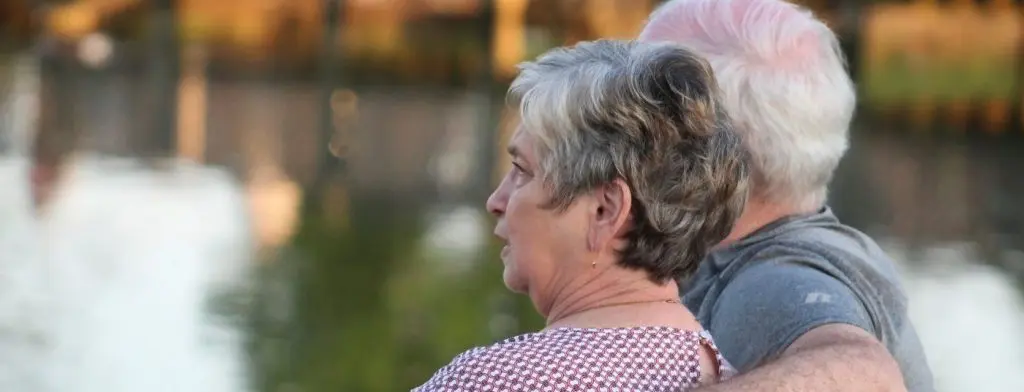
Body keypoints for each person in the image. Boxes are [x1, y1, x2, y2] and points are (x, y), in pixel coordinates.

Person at [413, 39, 749, 391]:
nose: (496, 201)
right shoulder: (726, 373)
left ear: (605, 210)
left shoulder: (502, 380)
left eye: (522, 170)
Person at [638, 1, 935, 391]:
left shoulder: (773, 282)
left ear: (709, 152)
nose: (619, 136)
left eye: (639, 113)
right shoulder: (809, 249)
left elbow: (864, 375)